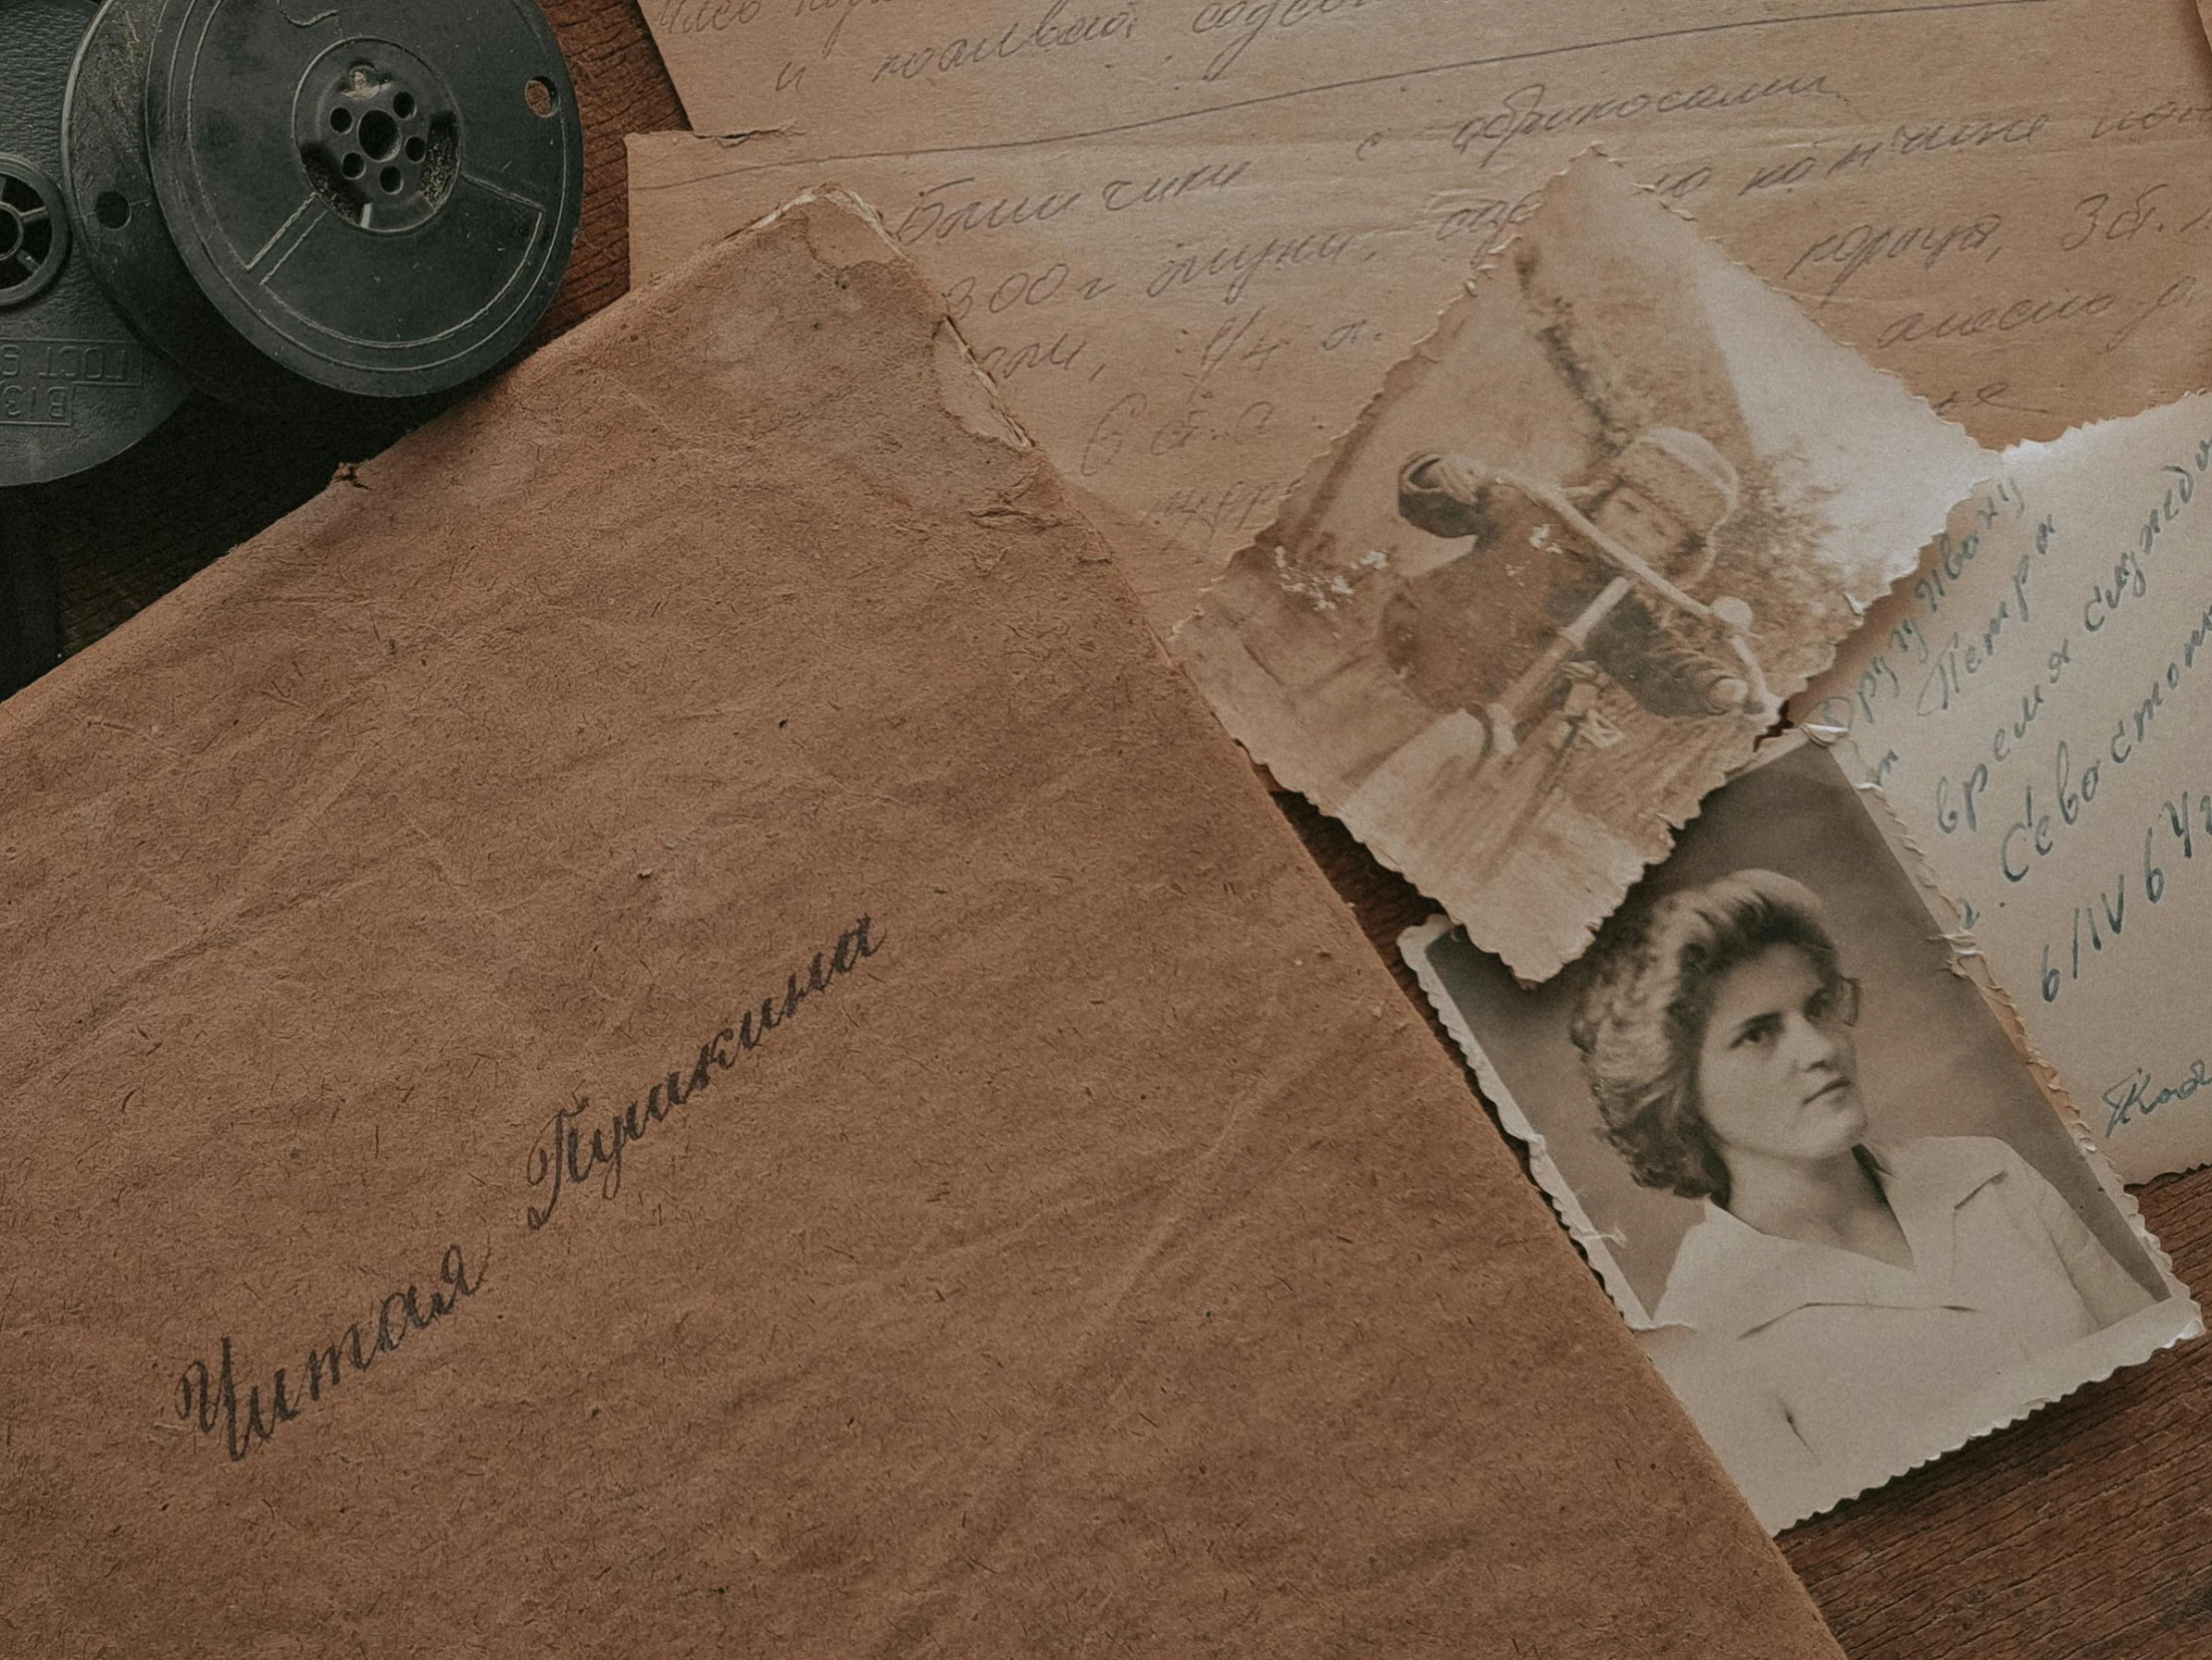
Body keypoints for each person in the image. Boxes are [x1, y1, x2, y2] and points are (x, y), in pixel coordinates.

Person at [1569, 868, 2156, 1522]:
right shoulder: (1700, 1333)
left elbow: (2156, 1375)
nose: (1819, 1048)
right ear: (1679, 1093)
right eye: (1758, 1033)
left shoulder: (1986, 1172)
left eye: (1818, 1005)